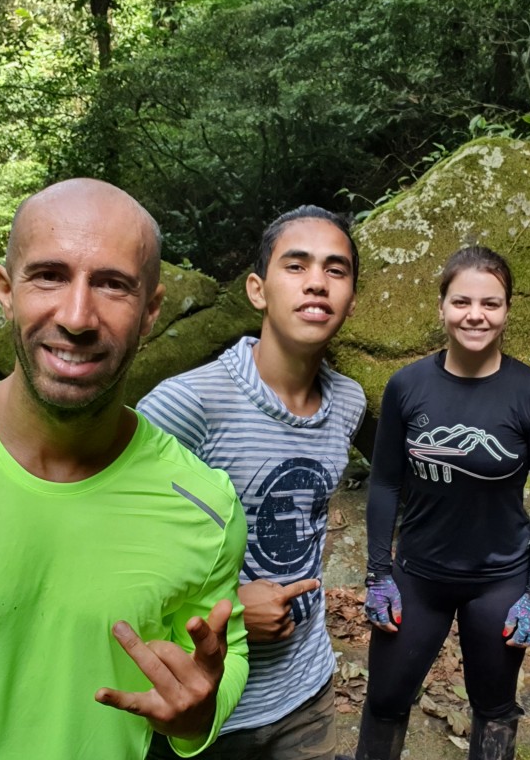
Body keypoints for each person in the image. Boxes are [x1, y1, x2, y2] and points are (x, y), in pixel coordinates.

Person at [0, 178, 249, 759]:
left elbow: (229, 648)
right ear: (5, 290)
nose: (76, 316)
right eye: (49, 275)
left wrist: (200, 714)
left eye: (113, 285)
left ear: (151, 312)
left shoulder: (204, 502)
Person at [138, 205, 367, 760]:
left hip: (307, 688)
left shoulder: (349, 402)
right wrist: (234, 605)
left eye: (336, 270)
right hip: (208, 700)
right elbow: (117, 553)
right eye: (297, 265)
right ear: (258, 290)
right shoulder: (187, 406)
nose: (317, 282)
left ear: (351, 299)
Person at [357, 245, 530, 760]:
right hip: (417, 574)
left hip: (499, 580)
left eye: (491, 304)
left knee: (493, 706)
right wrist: (377, 574)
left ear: (507, 311)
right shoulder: (407, 386)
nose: (476, 315)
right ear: (442, 307)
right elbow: (384, 484)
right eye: (462, 302)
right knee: (385, 697)